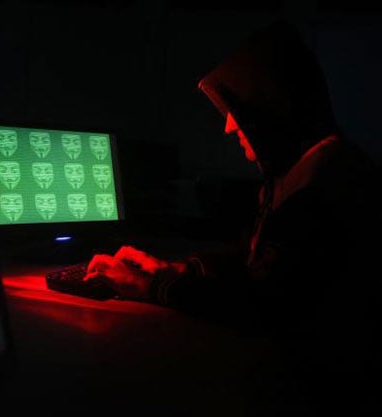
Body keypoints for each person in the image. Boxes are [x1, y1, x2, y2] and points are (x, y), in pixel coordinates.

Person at [85, 19, 382, 413]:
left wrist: (152, 289)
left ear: (271, 106)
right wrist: (177, 268)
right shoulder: (301, 172)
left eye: (236, 110)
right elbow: (254, 261)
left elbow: (266, 307)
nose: (228, 126)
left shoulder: (329, 188)